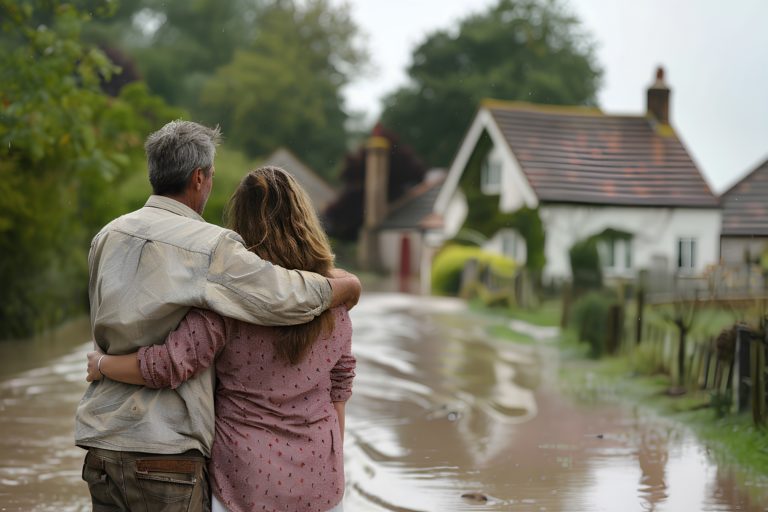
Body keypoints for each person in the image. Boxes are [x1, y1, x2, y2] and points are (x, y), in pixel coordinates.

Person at [76, 121, 361, 512]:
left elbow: (130, 336)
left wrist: (104, 364)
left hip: (103, 442)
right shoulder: (213, 248)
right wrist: (345, 287)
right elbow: (285, 297)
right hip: (171, 451)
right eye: (210, 176)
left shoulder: (106, 237)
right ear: (198, 178)